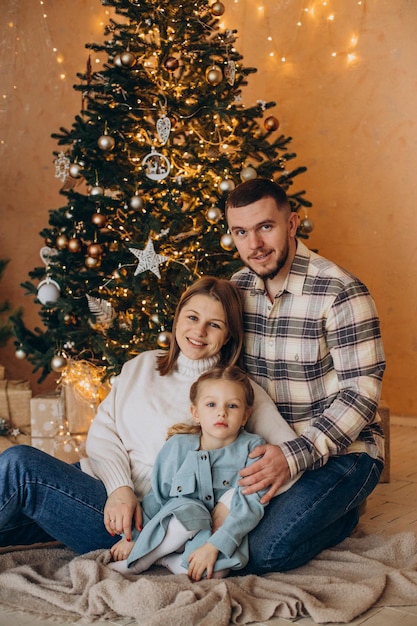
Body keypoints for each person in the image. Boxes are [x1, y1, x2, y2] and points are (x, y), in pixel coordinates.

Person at [0, 276, 298, 554]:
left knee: (21, 465)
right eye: (192, 317)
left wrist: (227, 504)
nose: (199, 331)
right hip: (99, 484)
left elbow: (286, 460)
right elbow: (104, 432)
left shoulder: (238, 393)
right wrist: (120, 488)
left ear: (229, 333)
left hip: (140, 521)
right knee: (13, 503)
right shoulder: (142, 366)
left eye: (215, 325)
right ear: (178, 317)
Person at [224, 177, 386, 574]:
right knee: (228, 540)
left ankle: (344, 514)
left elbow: (360, 394)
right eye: (240, 232)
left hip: (344, 454)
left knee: (262, 552)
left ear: (292, 224)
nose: (254, 244)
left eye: (266, 227)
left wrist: (293, 456)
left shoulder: (340, 291)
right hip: (268, 452)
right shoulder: (235, 289)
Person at [109, 365, 269, 581]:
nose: (222, 412)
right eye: (211, 404)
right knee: (191, 511)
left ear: (244, 416)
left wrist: (214, 546)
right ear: (196, 413)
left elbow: (250, 506)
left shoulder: (253, 449)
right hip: (176, 525)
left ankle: (166, 560)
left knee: (217, 571)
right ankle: (142, 560)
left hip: (213, 535)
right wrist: (134, 538)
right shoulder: (177, 447)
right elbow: (158, 497)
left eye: (232, 406)